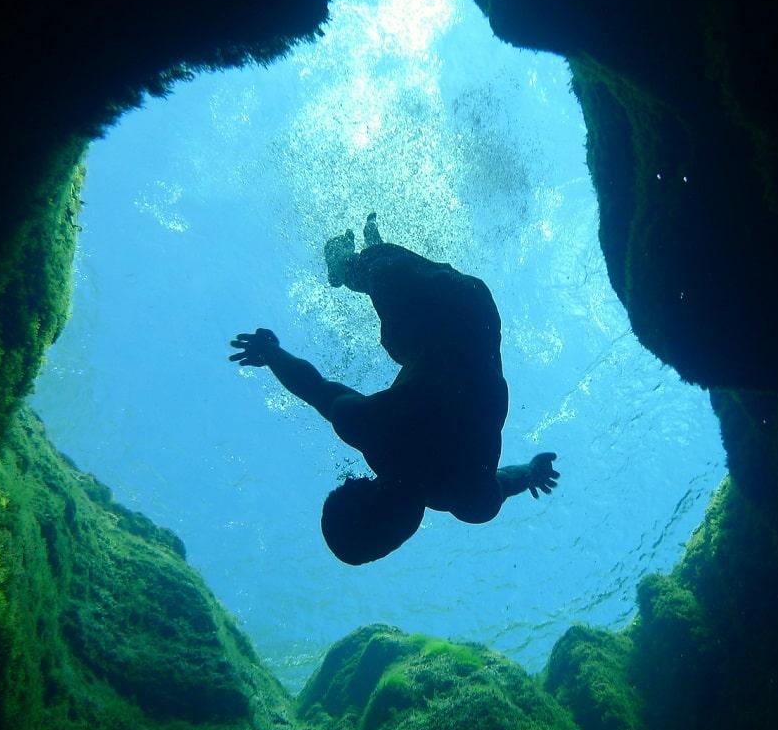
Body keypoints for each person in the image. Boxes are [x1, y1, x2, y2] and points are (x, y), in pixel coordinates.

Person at [229, 213, 561, 565]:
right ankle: (361, 256)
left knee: (383, 272)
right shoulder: (462, 493)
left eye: (388, 537)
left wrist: (273, 354)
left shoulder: (390, 442)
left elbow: (315, 388)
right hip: (463, 309)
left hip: (462, 317)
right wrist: (272, 353)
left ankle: (343, 264)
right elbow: (315, 388)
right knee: (385, 270)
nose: (400, 533)